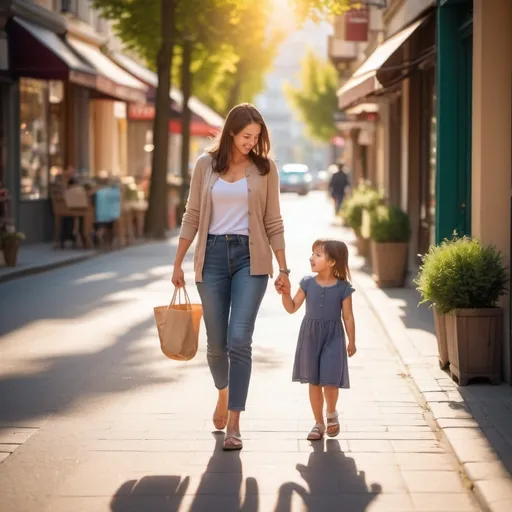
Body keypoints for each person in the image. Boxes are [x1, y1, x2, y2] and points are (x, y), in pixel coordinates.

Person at [171, 103, 290, 451]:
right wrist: (178, 262)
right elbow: (192, 215)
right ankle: (223, 392)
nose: (251, 143)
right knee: (216, 343)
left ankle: (235, 422)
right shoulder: (205, 166)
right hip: (211, 259)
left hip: (250, 260)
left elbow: (274, 222)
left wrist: (283, 268)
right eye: (245, 136)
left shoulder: (265, 170)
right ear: (231, 133)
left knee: (240, 339)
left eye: (256, 137)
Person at [281, 239, 356, 440]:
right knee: (314, 381)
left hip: (334, 337)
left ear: (332, 262)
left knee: (330, 380)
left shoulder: (343, 288)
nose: (311, 258)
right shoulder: (306, 283)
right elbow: (292, 307)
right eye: (312, 253)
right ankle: (318, 423)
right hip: (310, 337)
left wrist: (352, 340)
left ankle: (331, 413)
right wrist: (285, 294)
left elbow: (347, 316)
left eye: (317, 255)